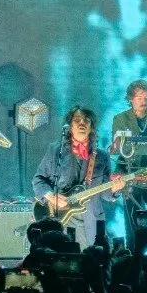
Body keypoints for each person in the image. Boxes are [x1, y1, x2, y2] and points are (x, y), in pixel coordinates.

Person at [34, 106, 125, 249]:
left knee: (92, 264)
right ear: (69, 126)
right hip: (62, 219)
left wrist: (115, 190)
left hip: (91, 219)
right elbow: (38, 180)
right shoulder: (56, 150)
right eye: (77, 120)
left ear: (92, 127)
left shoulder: (102, 156)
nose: (82, 123)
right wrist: (51, 196)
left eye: (86, 120)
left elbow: (106, 195)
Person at [109, 79, 147, 236]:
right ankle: (133, 250)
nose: (143, 100)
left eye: (146, 97)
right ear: (131, 99)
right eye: (139, 97)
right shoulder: (120, 119)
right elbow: (119, 146)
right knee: (132, 217)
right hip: (128, 171)